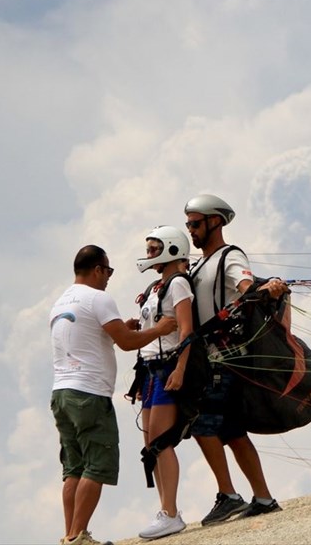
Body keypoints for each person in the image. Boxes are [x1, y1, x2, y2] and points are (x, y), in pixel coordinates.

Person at [50, 245, 177, 545]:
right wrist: (159, 329)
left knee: (73, 468)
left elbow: (96, 336)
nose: (108, 277)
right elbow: (128, 342)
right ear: (97, 269)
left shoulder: (61, 301)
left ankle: (69, 536)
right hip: (89, 393)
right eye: (108, 270)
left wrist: (123, 329)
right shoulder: (99, 298)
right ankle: (79, 537)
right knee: (96, 465)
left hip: (61, 393)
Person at [183, 193, 289, 525]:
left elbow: (244, 284)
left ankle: (229, 496)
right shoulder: (197, 266)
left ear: (215, 221)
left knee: (201, 423)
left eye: (195, 224)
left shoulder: (229, 256)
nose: (190, 230)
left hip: (225, 358)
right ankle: (264, 498)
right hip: (210, 359)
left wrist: (263, 289)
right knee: (231, 431)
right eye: (188, 225)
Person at [133, 227, 195, 539]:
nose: (149, 254)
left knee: (160, 440)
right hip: (149, 370)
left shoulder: (178, 283)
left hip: (167, 365)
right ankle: (165, 510)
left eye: (154, 248)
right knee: (151, 445)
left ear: (171, 249)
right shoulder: (155, 288)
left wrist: (180, 369)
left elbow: (186, 330)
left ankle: (170, 513)